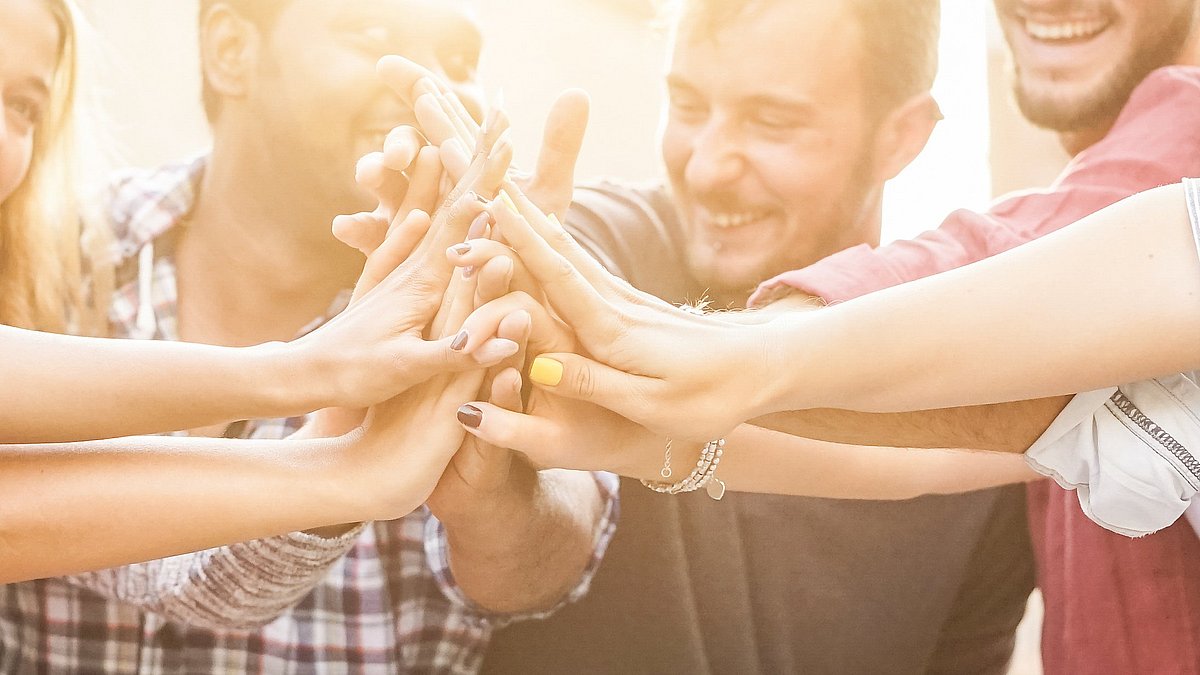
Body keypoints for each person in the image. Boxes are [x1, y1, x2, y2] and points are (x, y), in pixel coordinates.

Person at [447, 0, 1200, 669]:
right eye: (686, 104)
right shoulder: (613, 239)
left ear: (902, 137)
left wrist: (679, 359)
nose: (708, 166)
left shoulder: (1167, 171)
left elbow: (1003, 276)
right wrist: (627, 403)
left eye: (773, 122)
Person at [0, 2, 616, 673]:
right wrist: (333, 419)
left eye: (459, 59)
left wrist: (493, 484)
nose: (430, 82)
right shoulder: (35, 254)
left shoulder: (494, 287)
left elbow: (550, 561)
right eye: (370, 33)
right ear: (231, 50)